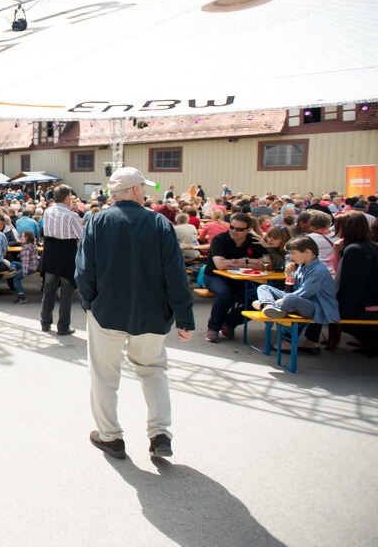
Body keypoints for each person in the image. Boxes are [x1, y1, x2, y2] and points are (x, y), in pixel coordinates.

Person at [75, 167, 194, 460]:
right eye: (144, 187)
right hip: (152, 312)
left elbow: (83, 270)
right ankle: (160, 433)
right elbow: (176, 274)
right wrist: (184, 317)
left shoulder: (97, 221)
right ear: (136, 191)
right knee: (152, 370)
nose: (147, 192)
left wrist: (90, 303)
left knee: (104, 375)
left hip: (107, 311)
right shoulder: (159, 223)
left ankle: (110, 437)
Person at [252, 236, 338, 354]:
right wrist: (289, 274)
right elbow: (292, 289)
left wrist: (281, 301)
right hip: (300, 300)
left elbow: (305, 292)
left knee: (290, 299)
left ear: (307, 252)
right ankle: (268, 306)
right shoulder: (302, 266)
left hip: (317, 307)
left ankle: (268, 307)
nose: (291, 257)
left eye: (293, 253)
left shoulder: (319, 271)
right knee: (263, 287)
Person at [203, 212, 269, 343]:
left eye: (239, 229)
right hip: (215, 276)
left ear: (248, 230)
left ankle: (229, 323)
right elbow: (220, 264)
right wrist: (247, 261)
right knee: (225, 294)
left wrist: (235, 262)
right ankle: (213, 328)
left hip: (242, 279)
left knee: (261, 300)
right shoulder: (220, 239)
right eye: (232, 227)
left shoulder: (254, 240)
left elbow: (266, 263)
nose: (234, 231)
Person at [333, 211, 378, 356]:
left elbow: (352, 287)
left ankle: (370, 343)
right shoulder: (368, 246)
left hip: (366, 306)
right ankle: (368, 342)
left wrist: (342, 311)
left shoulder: (355, 250)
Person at [39, 184, 82, 334]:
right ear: (66, 198)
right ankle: (63, 327)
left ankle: (45, 323)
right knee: (66, 292)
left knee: (48, 290)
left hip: (50, 252)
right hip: (66, 254)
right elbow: (81, 236)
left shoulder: (47, 212)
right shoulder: (72, 215)